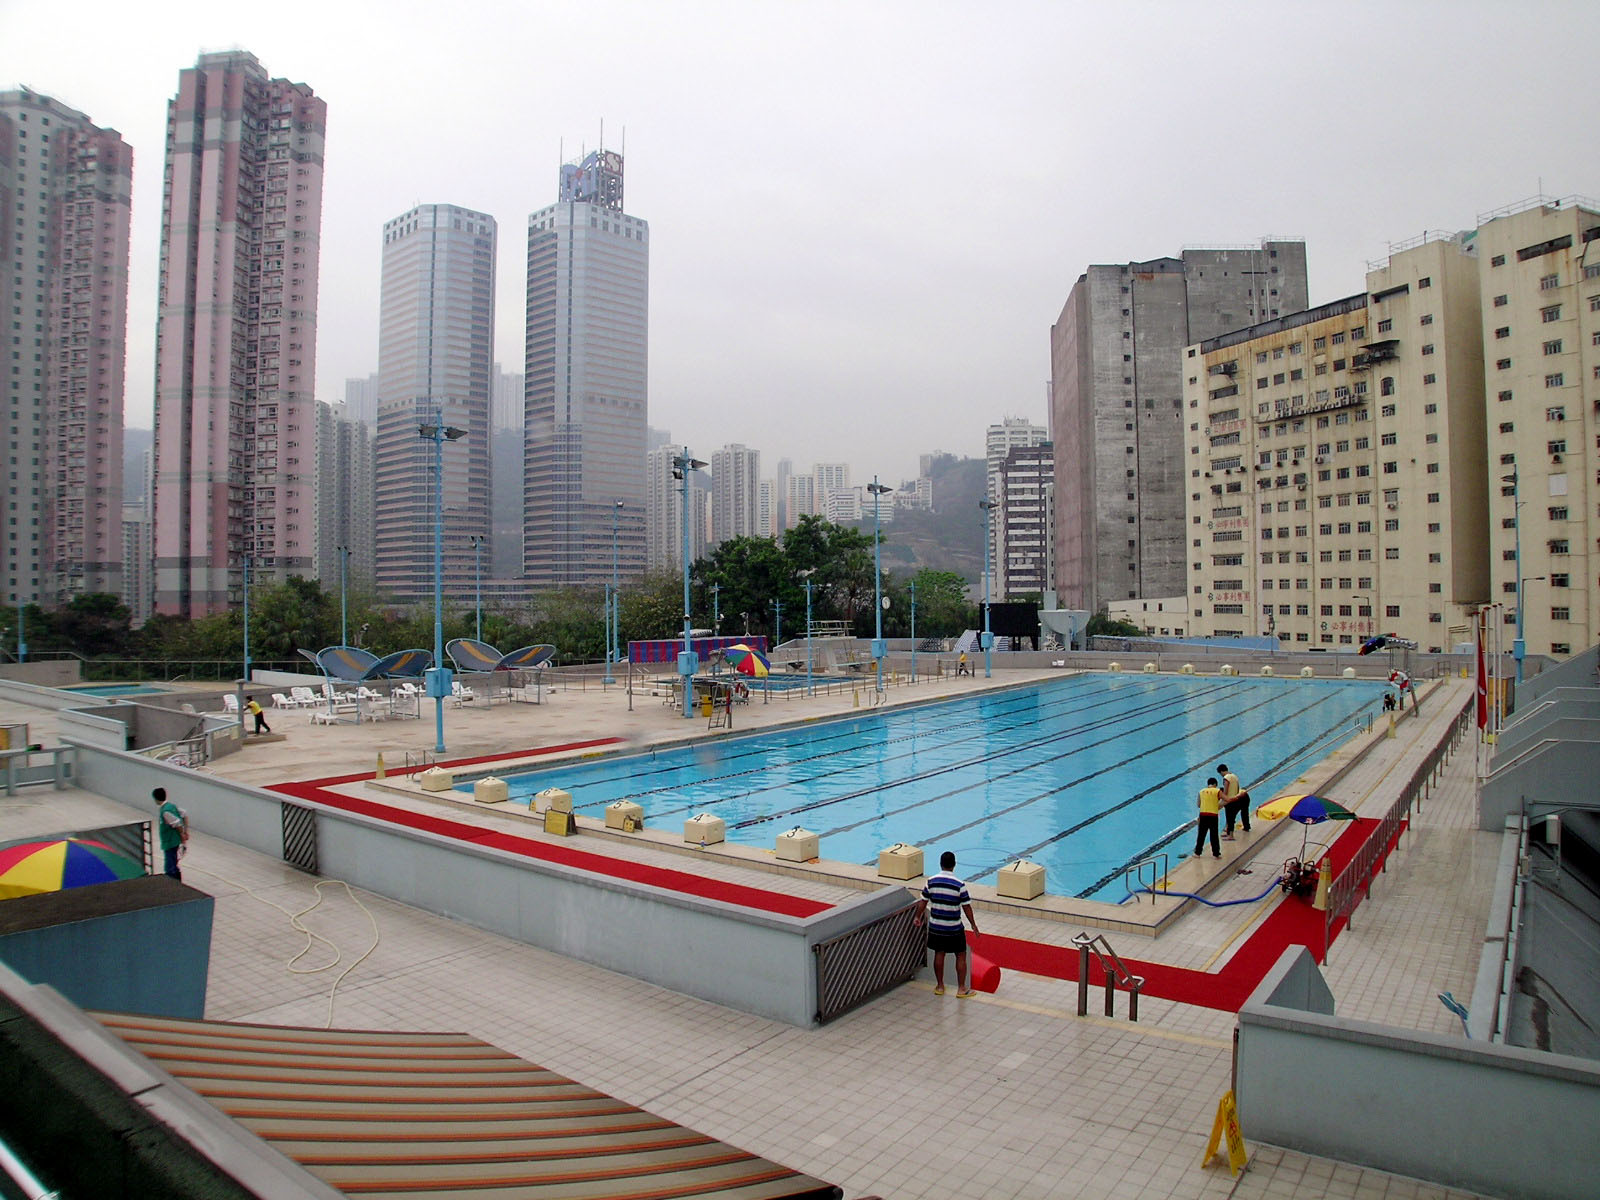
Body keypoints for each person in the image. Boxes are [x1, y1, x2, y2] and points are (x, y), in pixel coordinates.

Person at [915, 851, 981, 998]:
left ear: (940, 864)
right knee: (961, 955)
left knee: (939, 953)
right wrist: (973, 925)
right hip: (954, 927)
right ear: (954, 865)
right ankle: (962, 989)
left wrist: (917, 917)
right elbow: (966, 907)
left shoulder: (931, 881)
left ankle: (939, 986)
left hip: (936, 926)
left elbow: (923, 902)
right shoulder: (959, 885)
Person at [154, 786, 188, 880]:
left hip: (170, 841)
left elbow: (176, 823)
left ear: (156, 799)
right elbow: (184, 814)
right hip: (173, 841)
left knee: (169, 866)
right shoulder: (172, 806)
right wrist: (186, 831)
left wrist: (182, 834)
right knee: (173, 862)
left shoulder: (165, 811)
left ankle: (173, 884)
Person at [1218, 761, 1250, 839]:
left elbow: (1225, 791)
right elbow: (1237, 787)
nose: (1221, 775)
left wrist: (1223, 800)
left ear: (1222, 771)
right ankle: (1246, 827)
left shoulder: (1226, 778)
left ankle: (1230, 835)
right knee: (1244, 813)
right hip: (1240, 797)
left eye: (1220, 773)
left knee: (1230, 817)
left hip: (1231, 800)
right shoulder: (1234, 775)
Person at [1195, 776, 1222, 859]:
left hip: (1203, 815)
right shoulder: (1217, 791)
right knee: (1214, 835)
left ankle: (1197, 853)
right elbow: (1226, 799)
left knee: (1201, 834)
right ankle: (1216, 854)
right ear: (1215, 784)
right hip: (1213, 815)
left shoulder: (1201, 791)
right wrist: (1218, 806)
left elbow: (1198, 805)